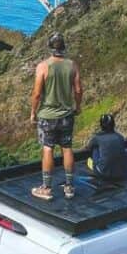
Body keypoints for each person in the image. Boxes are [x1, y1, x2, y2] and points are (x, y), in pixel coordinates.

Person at [30, 32, 82, 200]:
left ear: (50, 47)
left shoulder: (43, 66)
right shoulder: (72, 65)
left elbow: (37, 94)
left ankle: (46, 188)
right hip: (67, 115)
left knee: (48, 148)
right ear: (64, 47)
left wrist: (33, 112)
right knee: (67, 148)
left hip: (47, 116)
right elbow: (79, 90)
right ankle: (69, 187)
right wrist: (78, 107)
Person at [85, 114, 127, 181]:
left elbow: (88, 148)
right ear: (113, 124)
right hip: (122, 173)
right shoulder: (120, 137)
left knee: (95, 148)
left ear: (101, 125)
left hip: (104, 174)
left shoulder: (97, 137)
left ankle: (93, 165)